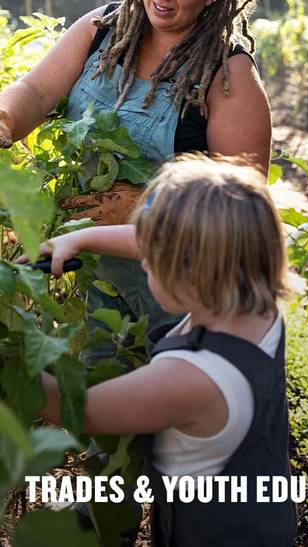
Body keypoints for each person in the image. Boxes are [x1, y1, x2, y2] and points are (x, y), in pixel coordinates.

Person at [21, 155, 297, 546]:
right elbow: (177, 244)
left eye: (153, 258)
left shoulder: (190, 378)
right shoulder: (258, 307)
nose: (145, 261)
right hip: (264, 514)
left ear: (190, 271)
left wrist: (9, 361)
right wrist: (79, 238)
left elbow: (83, 410)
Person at [0, 0, 272, 365]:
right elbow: (34, 90)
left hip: (179, 284)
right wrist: (5, 119)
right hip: (91, 269)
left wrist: (147, 208)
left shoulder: (228, 74)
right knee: (95, 390)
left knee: (168, 402)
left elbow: (241, 209)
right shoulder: (102, 28)